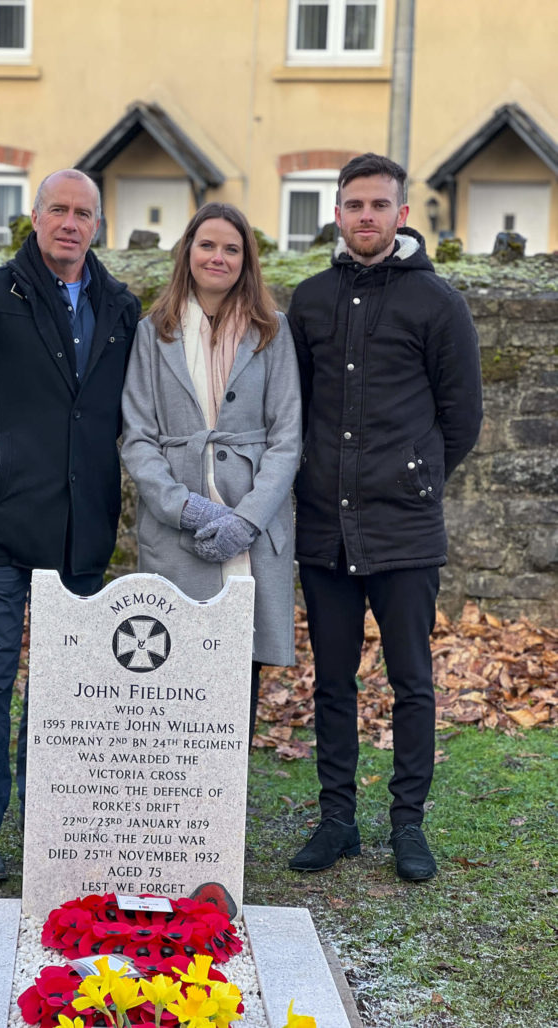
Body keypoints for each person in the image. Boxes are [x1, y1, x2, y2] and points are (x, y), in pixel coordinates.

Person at [0, 169, 140, 882]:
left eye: (83, 213)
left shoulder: (120, 308)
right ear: (35, 215)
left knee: (68, 691)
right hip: (5, 527)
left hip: (82, 530)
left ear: (99, 226)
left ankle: (55, 825)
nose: (70, 223)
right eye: (58, 209)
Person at [286, 153, 482, 881]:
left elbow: (461, 417)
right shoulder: (306, 301)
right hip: (322, 529)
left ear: (402, 215)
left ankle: (407, 823)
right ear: (336, 214)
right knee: (331, 680)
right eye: (353, 204)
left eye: (379, 205)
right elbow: (293, 410)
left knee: (411, 680)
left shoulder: (438, 304)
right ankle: (336, 818)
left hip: (404, 528)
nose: (365, 216)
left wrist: (414, 476)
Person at [121, 202, 302, 739]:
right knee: (172, 661)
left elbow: (288, 439)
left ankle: (224, 798)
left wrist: (247, 520)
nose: (218, 257)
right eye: (207, 245)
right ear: (188, 252)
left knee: (240, 660)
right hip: (176, 528)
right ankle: (175, 795)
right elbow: (137, 438)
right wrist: (185, 507)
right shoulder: (153, 333)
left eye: (231, 248)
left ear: (246, 260)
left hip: (252, 522)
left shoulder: (273, 331)